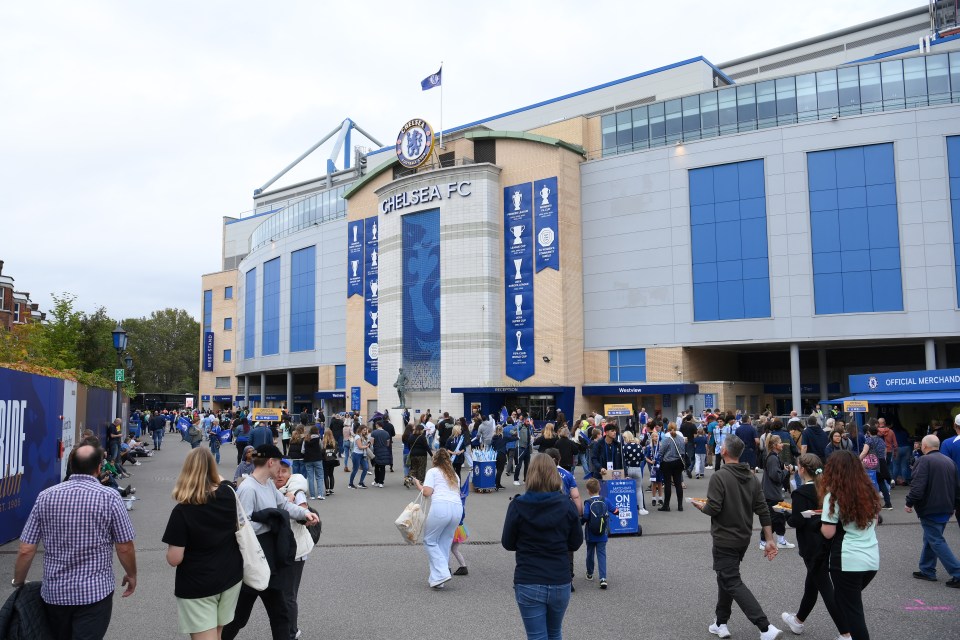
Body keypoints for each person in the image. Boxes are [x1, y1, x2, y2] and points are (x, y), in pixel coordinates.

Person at [12, 444, 137, 640]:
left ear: (71, 464)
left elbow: (27, 549)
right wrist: (131, 574)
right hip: (95, 593)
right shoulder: (110, 497)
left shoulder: (46, 497)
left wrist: (18, 581)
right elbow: (124, 546)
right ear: (98, 468)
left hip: (55, 594)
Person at [691, 434, 783, 640]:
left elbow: (713, 508)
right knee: (725, 576)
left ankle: (765, 627)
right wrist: (769, 539)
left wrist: (701, 506)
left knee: (731, 580)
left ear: (723, 451)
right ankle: (720, 622)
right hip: (743, 537)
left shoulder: (719, 477)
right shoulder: (750, 476)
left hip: (724, 538)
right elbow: (763, 510)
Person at [222, 445, 318, 640]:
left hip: (270, 560)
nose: (280, 470)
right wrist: (274, 522)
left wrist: (304, 513)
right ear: (270, 462)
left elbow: (284, 505)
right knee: (239, 617)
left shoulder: (266, 485)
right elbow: (243, 526)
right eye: (278, 464)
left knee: (280, 615)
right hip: (254, 560)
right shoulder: (248, 488)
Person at [162, 448, 243, 640]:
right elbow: (222, 480)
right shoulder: (228, 495)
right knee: (218, 633)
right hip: (230, 576)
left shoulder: (182, 511)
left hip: (198, 583)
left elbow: (174, 559)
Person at [502, 453, 583, 640]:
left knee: (537, 636)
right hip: (559, 578)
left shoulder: (518, 505)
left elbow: (508, 543)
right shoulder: (567, 505)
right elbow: (576, 542)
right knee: (555, 632)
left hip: (529, 578)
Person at [781, 454, 845, 638]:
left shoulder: (800, 493)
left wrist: (786, 514)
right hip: (828, 541)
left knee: (825, 588)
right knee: (813, 583)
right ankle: (798, 621)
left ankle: (845, 632)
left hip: (811, 546)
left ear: (801, 469)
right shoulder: (826, 489)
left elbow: (797, 521)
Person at [818, 450, 880, 640]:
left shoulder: (834, 497)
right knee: (844, 601)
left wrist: (819, 522)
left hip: (847, 560)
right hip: (871, 559)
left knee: (853, 612)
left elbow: (828, 533)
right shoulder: (870, 492)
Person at [904, 434, 960, 587]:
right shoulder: (949, 462)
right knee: (932, 537)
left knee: (936, 540)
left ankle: (957, 573)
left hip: (930, 507)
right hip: (946, 506)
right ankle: (927, 569)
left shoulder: (923, 461)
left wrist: (909, 502)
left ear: (925, 446)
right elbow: (956, 487)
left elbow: (917, 485)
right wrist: (955, 504)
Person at [273, 458, 314, 639]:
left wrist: (303, 513)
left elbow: (303, 511)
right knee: (281, 595)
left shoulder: (296, 490)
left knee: (288, 595)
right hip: (277, 551)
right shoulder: (268, 488)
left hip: (295, 551)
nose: (280, 475)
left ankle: (291, 632)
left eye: (284, 471)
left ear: (290, 473)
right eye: (278, 471)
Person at [411, 449, 463, 589]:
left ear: (435, 459)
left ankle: (442, 572)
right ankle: (437, 579)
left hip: (441, 507)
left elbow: (427, 492)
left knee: (430, 541)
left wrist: (417, 484)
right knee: (444, 543)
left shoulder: (433, 472)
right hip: (457, 508)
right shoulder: (454, 475)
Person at [759, 436, 796, 550]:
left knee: (779, 517)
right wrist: (785, 471)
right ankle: (763, 541)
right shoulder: (773, 458)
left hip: (772, 492)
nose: (782, 444)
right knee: (774, 518)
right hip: (771, 493)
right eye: (780, 443)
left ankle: (780, 540)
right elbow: (776, 477)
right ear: (774, 445)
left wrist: (783, 469)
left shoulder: (773, 457)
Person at [581, 478, 618, 589]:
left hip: (591, 533)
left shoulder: (588, 502)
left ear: (588, 490)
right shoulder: (605, 500)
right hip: (602, 533)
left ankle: (590, 573)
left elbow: (586, 516)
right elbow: (615, 511)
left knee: (590, 553)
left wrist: (581, 522)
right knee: (602, 554)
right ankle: (603, 578)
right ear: (599, 488)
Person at [658, 422, 686, 511]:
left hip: (668, 463)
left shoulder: (666, 439)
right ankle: (680, 505)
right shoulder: (681, 439)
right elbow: (683, 451)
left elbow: (661, 452)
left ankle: (666, 505)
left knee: (667, 483)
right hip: (678, 462)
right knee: (678, 483)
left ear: (668, 429)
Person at [301, 425, 325, 500]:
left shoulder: (306, 439)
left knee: (310, 478)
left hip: (308, 459)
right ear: (317, 431)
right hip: (317, 459)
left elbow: (302, 450)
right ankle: (320, 494)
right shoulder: (318, 439)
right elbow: (321, 447)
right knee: (320, 477)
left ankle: (312, 495)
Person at [371, 421, 392, 487]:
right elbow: (388, 443)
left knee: (376, 467)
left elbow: (372, 443)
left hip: (376, 450)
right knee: (383, 467)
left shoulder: (374, 433)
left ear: (377, 425)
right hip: (384, 450)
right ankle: (381, 482)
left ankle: (376, 481)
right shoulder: (386, 433)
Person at [321, 429, 340, 495]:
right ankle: (331, 489)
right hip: (332, 459)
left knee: (325, 475)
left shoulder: (323, 442)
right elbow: (337, 450)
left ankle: (327, 490)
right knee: (331, 474)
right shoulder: (334, 442)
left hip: (325, 460)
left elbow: (321, 451)